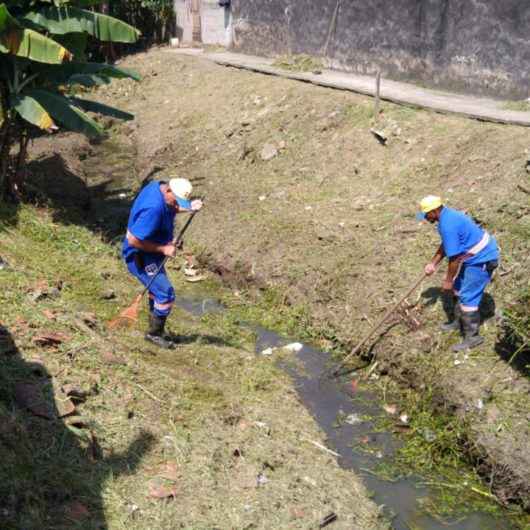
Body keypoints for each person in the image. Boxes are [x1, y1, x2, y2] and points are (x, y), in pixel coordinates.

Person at [122, 178, 203, 348]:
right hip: (140, 255)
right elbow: (133, 240)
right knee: (166, 294)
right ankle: (154, 334)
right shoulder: (153, 209)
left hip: (151, 247)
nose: (176, 205)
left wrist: (188, 207)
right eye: (176, 200)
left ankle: (154, 324)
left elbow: (170, 208)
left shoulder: (157, 186)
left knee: (157, 291)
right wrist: (163, 249)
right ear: (168, 191)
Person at [417, 195, 499, 351]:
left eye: (426, 215)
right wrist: (433, 263)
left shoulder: (448, 224)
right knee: (458, 288)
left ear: (434, 211)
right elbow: (447, 244)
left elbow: (454, 258)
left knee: (467, 297)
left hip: (483, 259)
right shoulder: (446, 217)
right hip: (473, 258)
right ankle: (458, 321)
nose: (425, 218)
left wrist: (448, 280)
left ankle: (473, 337)